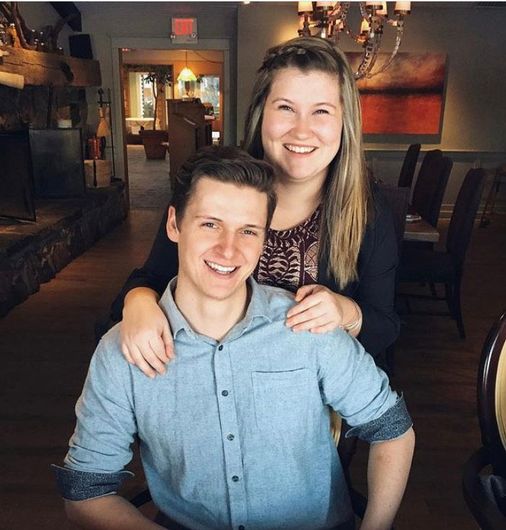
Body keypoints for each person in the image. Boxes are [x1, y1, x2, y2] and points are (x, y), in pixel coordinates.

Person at [54, 147, 415, 530]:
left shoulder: (307, 326)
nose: (229, 249)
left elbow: (392, 428)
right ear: (174, 224)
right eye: (210, 224)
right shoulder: (120, 352)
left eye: (248, 231)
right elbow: (85, 490)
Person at [111, 36, 400, 378]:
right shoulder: (212, 187)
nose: (302, 130)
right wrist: (139, 302)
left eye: (321, 111)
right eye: (285, 108)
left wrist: (345, 311)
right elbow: (152, 279)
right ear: (261, 112)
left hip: (308, 399)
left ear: (345, 122)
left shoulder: (368, 215)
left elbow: (385, 328)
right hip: (203, 385)